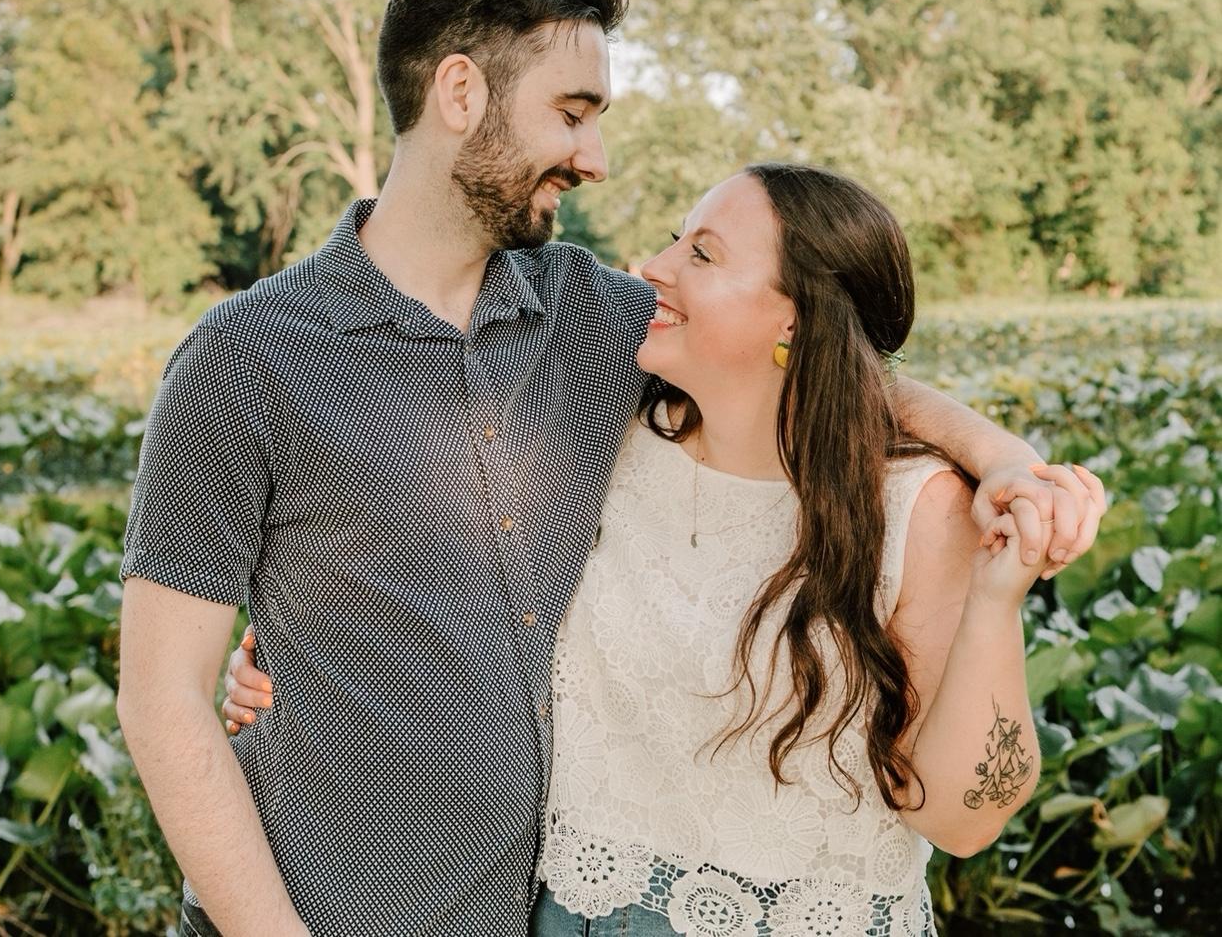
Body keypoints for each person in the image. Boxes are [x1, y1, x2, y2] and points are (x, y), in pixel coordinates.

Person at [117, 0, 1104, 937]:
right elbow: (161, 701)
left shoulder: (594, 318)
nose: (592, 156)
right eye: (571, 113)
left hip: (539, 913)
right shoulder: (245, 358)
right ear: (460, 94)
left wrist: (999, 459)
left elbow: (813, 363)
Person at [222, 164, 1104, 935]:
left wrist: (997, 576)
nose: (654, 268)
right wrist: (306, 659)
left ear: (796, 324)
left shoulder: (920, 509)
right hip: (570, 917)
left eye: (705, 255)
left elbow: (965, 818)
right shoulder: (609, 439)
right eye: (675, 239)